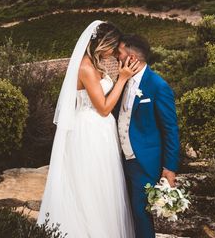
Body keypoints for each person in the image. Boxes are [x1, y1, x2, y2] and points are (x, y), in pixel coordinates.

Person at [37, 20, 139, 237]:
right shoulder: (85, 67)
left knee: (104, 184)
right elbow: (102, 108)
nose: (113, 53)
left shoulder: (95, 64)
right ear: (103, 43)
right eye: (113, 47)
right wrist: (122, 79)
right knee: (91, 183)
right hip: (90, 131)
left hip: (101, 131)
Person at [114, 34, 181, 238]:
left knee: (141, 214)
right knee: (125, 213)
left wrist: (169, 169)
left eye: (120, 53)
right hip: (120, 159)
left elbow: (171, 129)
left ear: (132, 58)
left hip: (144, 162)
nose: (116, 57)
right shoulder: (122, 79)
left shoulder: (158, 86)